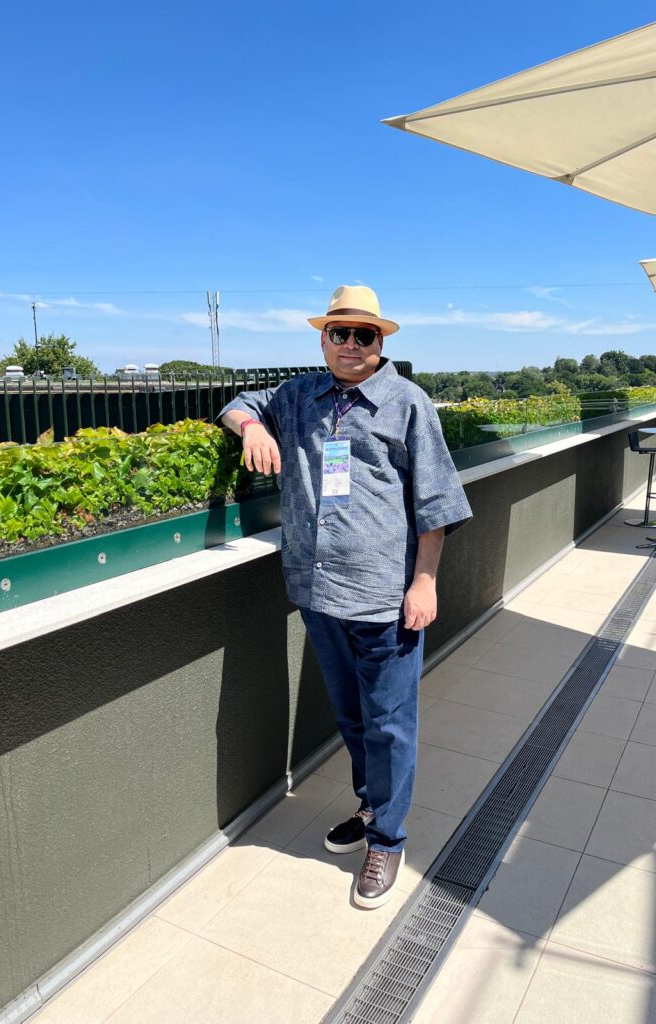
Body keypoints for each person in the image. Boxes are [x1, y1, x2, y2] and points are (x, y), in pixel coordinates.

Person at [220, 285, 471, 908]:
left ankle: (387, 839)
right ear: (323, 338)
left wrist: (425, 582)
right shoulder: (298, 396)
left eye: (365, 335)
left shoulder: (407, 404)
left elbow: (435, 504)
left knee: (390, 723)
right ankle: (370, 807)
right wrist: (253, 426)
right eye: (341, 333)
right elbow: (235, 403)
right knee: (353, 717)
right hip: (318, 588)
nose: (352, 345)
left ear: (380, 343)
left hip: (386, 595)